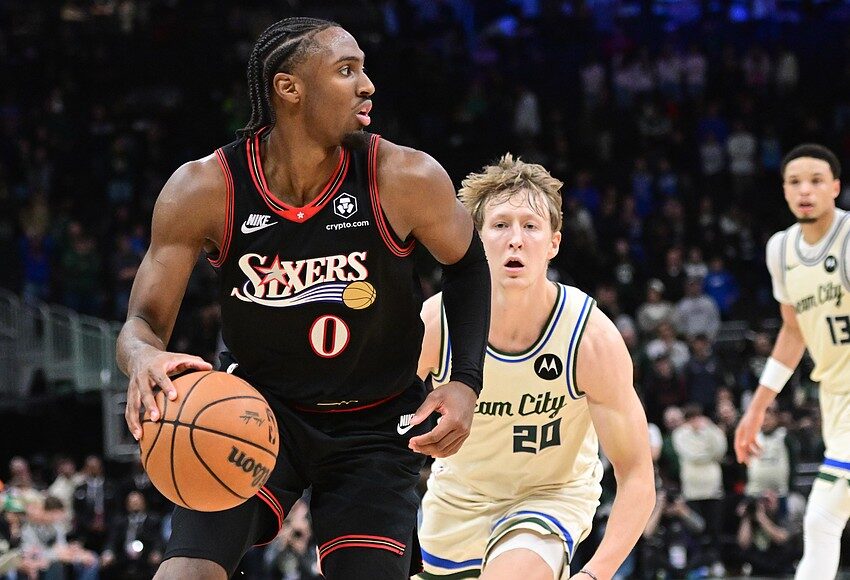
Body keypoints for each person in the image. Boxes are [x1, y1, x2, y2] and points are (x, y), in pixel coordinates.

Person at [116, 17, 490, 580]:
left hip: (374, 425)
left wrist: (465, 381)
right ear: (289, 88)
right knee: (183, 574)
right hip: (254, 412)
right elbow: (141, 322)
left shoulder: (403, 175)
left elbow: (468, 264)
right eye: (346, 71)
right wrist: (143, 357)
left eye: (363, 70)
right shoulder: (205, 188)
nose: (367, 86)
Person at [416, 155, 654, 580]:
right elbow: (371, 429)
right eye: (500, 225)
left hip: (551, 498)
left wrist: (595, 574)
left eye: (530, 226)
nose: (515, 240)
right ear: (475, 239)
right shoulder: (436, 324)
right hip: (457, 504)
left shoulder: (589, 336)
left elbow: (636, 473)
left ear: (553, 243)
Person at [735, 143, 850, 579]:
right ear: (784, 190)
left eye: (816, 181)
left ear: (835, 188)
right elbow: (793, 332)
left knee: (823, 516)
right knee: (821, 520)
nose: (805, 190)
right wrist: (756, 409)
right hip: (836, 399)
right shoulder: (781, 250)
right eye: (795, 182)